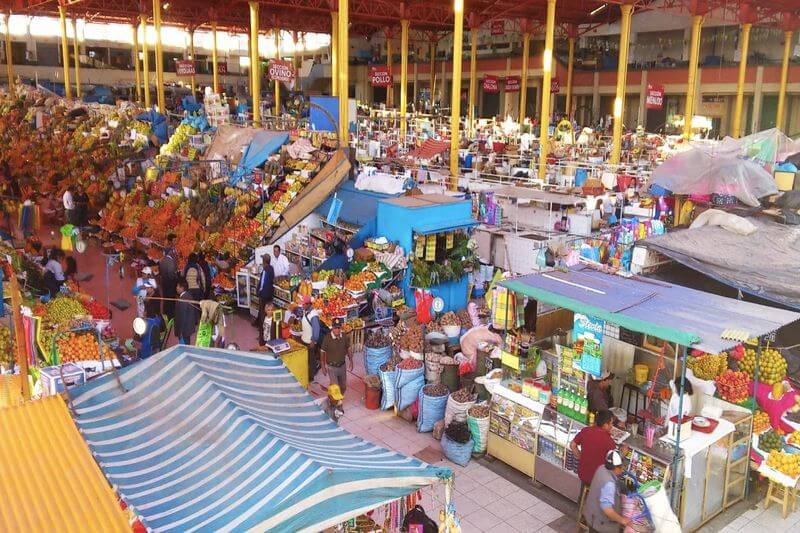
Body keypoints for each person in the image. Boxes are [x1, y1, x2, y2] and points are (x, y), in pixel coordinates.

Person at [583, 450, 632, 532]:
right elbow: (607, 509)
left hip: (591, 516)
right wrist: (623, 520)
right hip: (601, 525)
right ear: (615, 468)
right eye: (621, 467)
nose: (622, 470)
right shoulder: (609, 484)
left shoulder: (602, 467)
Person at [570, 409, 618, 489]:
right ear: (605, 424)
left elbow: (572, 445)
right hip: (598, 479)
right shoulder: (609, 441)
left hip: (582, 473)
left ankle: (582, 496)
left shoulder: (586, 430)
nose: (612, 426)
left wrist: (580, 457)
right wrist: (623, 452)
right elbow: (615, 461)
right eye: (611, 424)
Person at [320, 317, 353, 395]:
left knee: (343, 387)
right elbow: (322, 352)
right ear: (332, 328)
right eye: (335, 328)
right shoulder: (327, 338)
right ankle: (335, 404)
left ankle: (338, 400)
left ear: (340, 328)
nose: (337, 330)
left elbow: (348, 348)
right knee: (335, 388)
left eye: (338, 328)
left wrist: (351, 361)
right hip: (332, 367)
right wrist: (323, 366)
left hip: (342, 366)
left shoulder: (344, 336)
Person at [299, 295, 321, 379]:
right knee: (307, 359)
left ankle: (311, 376)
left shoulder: (313, 315)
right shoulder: (306, 311)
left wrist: (313, 341)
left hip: (309, 342)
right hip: (304, 339)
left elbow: (316, 330)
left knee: (310, 359)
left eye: (303, 304)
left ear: (308, 304)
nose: (302, 306)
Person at [174, 277, 198, 344]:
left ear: (182, 288)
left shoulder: (183, 299)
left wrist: (180, 331)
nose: (176, 288)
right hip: (188, 327)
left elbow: (182, 316)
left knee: (184, 345)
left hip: (184, 329)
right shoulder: (188, 295)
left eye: (177, 286)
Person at [159, 234, 178, 319]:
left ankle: (165, 312)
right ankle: (170, 315)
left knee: (166, 298)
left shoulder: (162, 260)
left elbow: (160, 270)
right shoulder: (170, 262)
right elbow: (171, 274)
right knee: (170, 299)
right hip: (170, 283)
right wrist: (175, 277)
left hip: (164, 282)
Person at [253, 254, 274, 328]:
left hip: (264, 294)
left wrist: (258, 292)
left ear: (264, 261)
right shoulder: (271, 268)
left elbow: (262, 283)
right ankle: (261, 323)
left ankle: (262, 327)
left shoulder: (265, 270)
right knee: (267, 310)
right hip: (270, 293)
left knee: (263, 311)